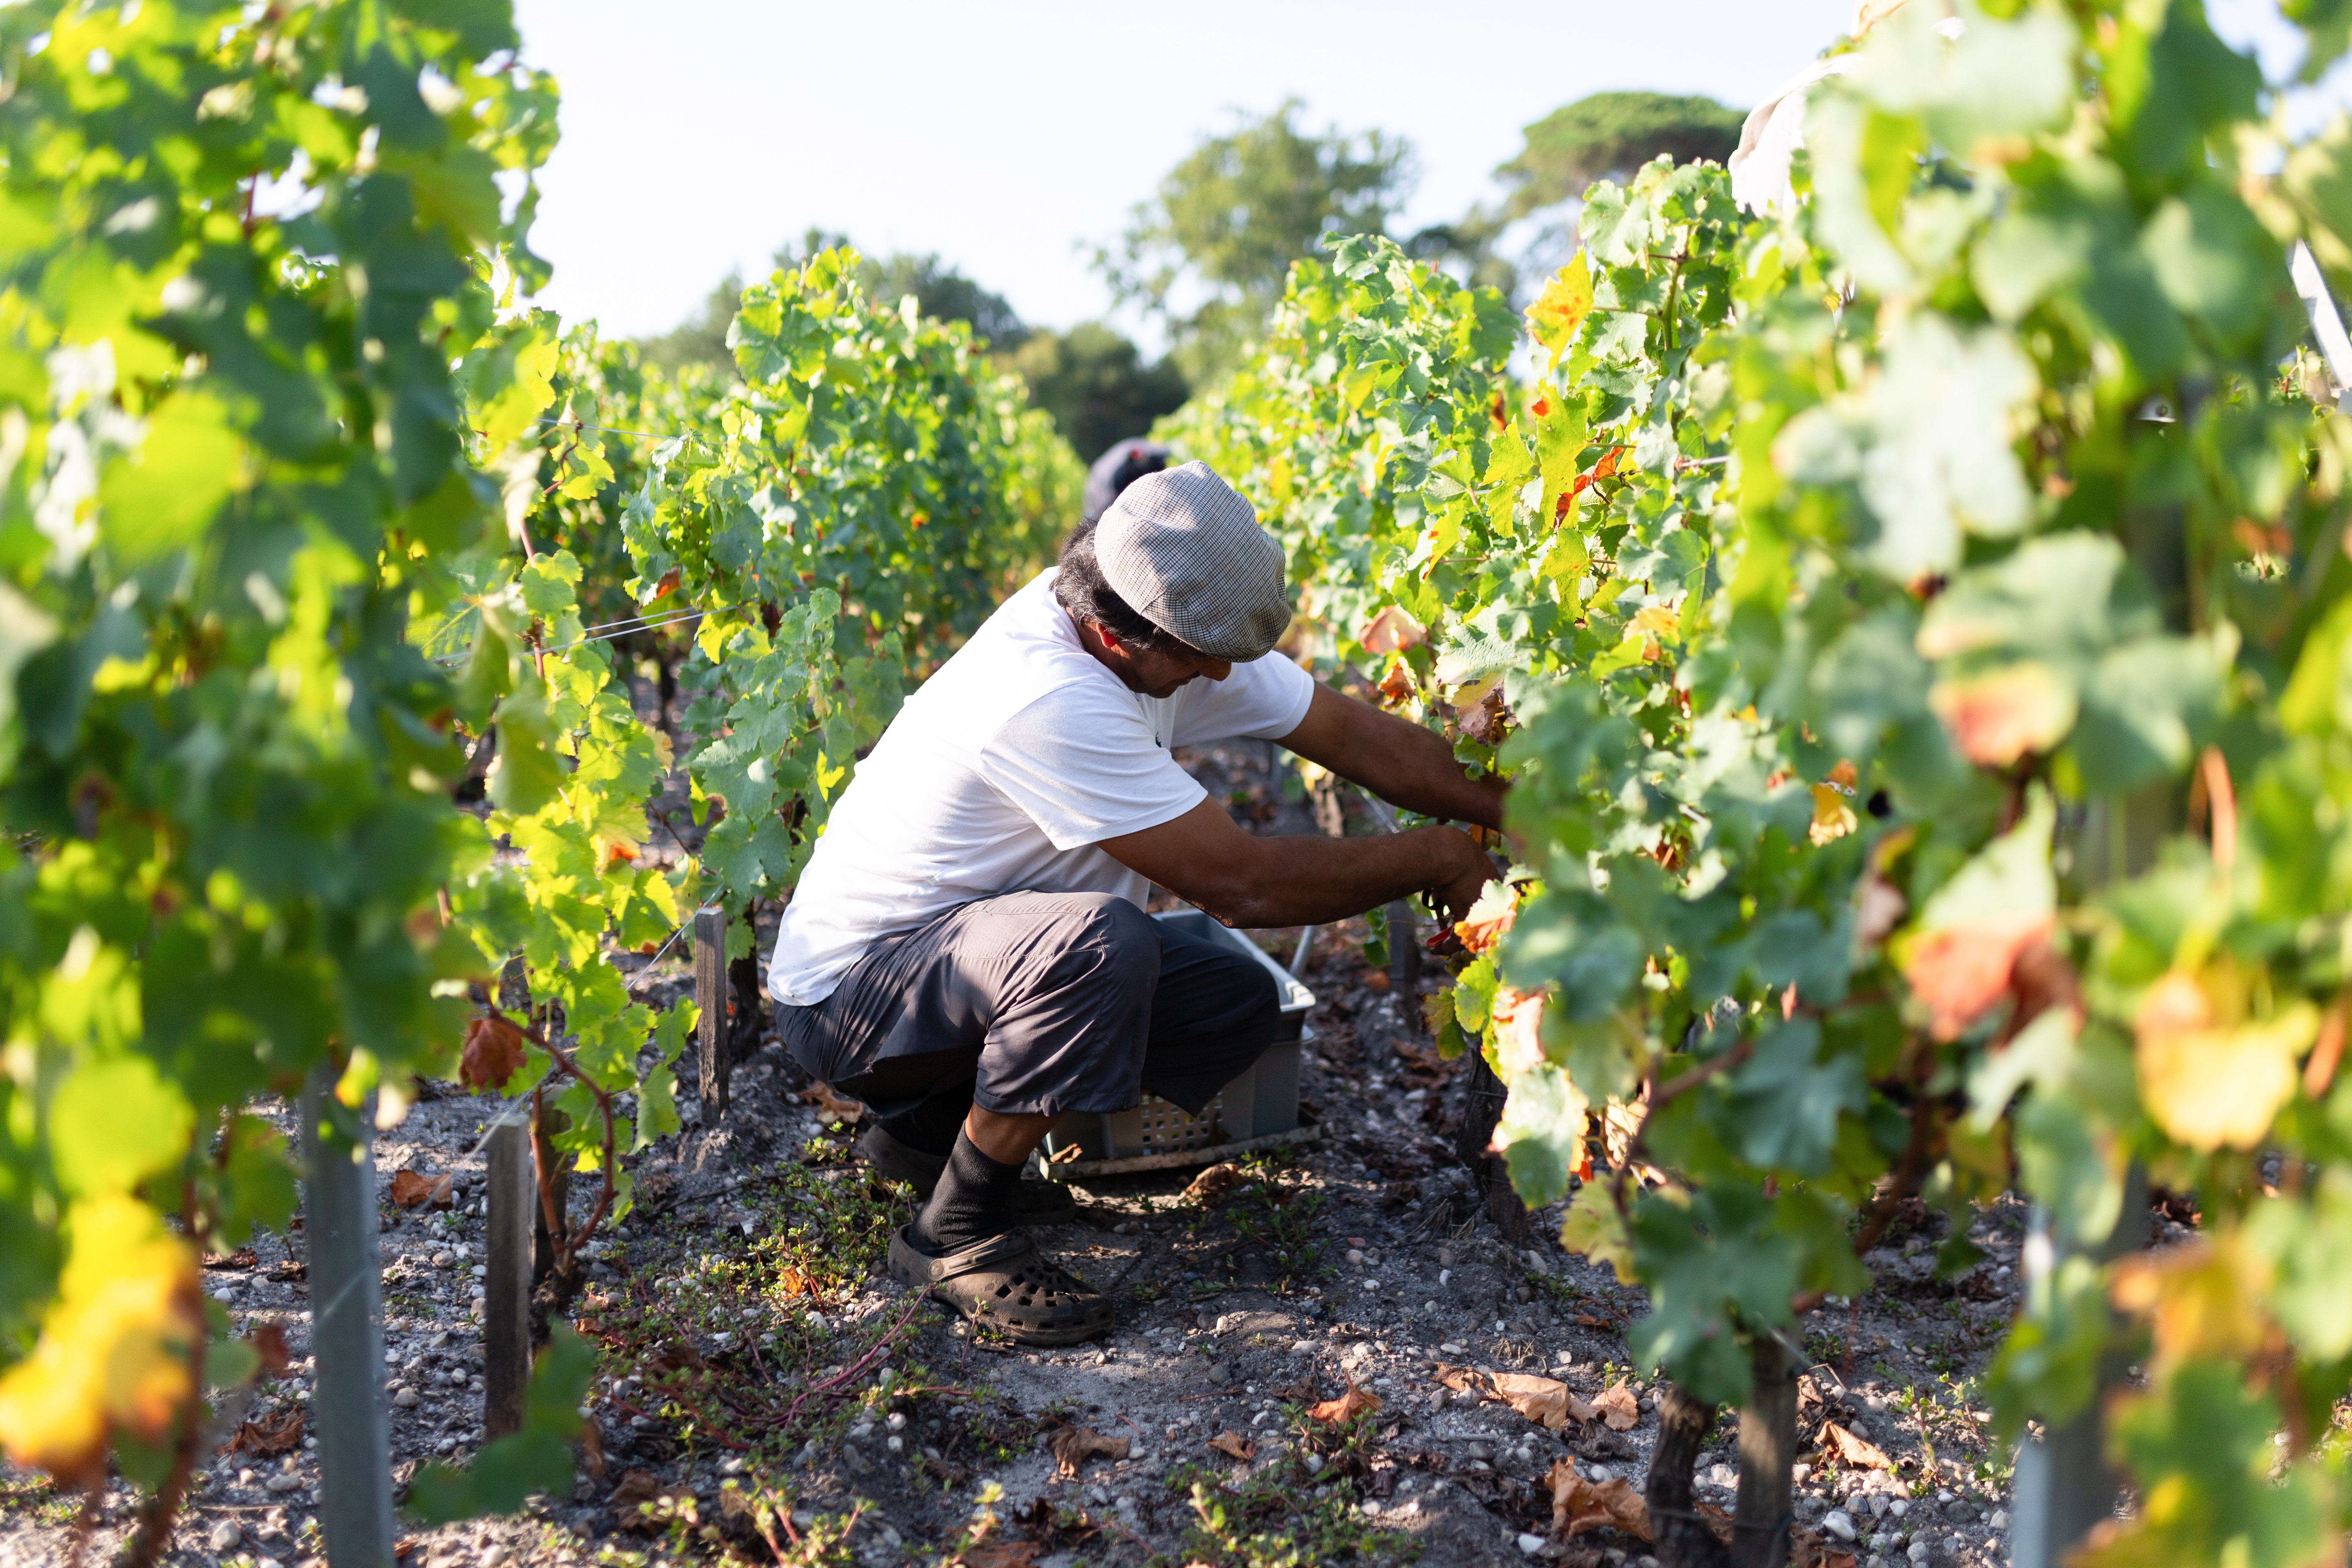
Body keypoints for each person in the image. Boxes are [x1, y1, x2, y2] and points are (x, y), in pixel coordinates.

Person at [766, 461, 1504, 1345]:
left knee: (1230, 1001)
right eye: (1208, 663)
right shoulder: (1048, 693)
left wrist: (1516, 812)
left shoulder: (1152, 617)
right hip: (852, 1000)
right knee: (1102, 948)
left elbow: (1346, 733)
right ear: (1126, 642)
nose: (1228, 676)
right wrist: (1434, 856)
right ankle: (954, 1231)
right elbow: (1244, 883)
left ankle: (925, 1139)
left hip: (955, 966)